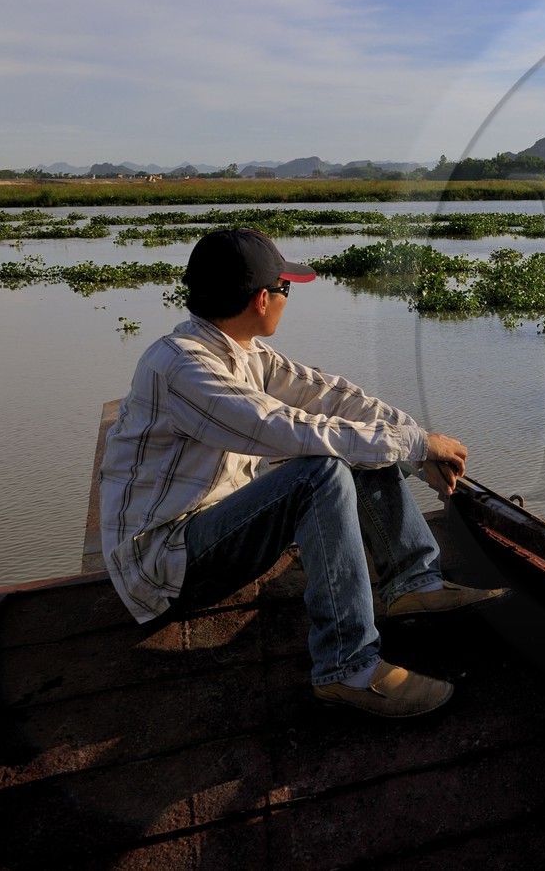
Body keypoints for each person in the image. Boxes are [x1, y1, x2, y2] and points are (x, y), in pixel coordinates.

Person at [98, 228, 505, 718]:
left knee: (350, 435)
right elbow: (281, 427)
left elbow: (332, 397)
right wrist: (414, 445)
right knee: (320, 469)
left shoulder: (241, 352)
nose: (287, 300)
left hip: (210, 533)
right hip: (164, 566)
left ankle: (415, 585)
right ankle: (346, 668)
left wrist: (416, 441)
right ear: (261, 299)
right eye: (285, 289)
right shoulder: (183, 366)